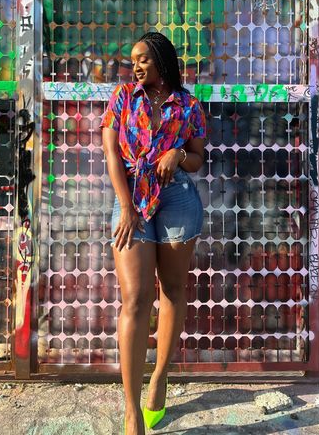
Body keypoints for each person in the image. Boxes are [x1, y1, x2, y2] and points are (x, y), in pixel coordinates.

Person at [100, 32, 206, 435]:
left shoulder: (189, 104)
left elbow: (197, 157)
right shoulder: (124, 96)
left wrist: (178, 153)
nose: (137, 65)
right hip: (132, 201)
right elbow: (111, 152)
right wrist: (125, 206)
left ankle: (160, 377)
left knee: (173, 291)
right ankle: (131, 410)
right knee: (135, 300)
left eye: (144, 58)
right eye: (134, 60)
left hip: (177, 197)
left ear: (162, 59)